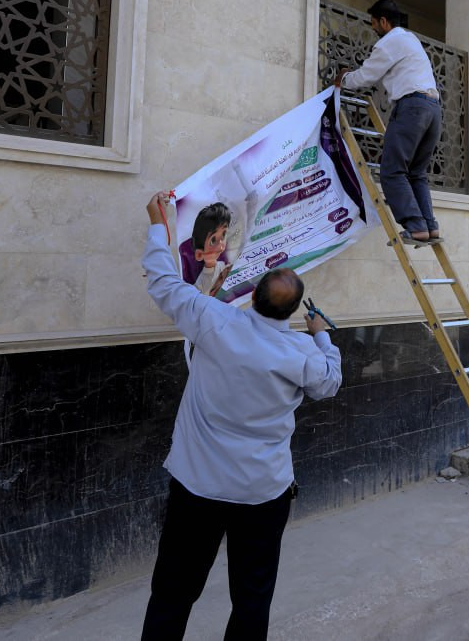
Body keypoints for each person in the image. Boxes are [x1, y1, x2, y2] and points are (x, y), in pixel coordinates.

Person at [141, 191, 343, 641]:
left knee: (173, 592)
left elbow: (163, 282)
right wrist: (322, 336)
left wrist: (158, 224)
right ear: (293, 311)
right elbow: (329, 383)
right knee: (252, 599)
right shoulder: (303, 352)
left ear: (253, 296)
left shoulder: (213, 320)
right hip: (262, 494)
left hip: (198, 487)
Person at [335, 0, 442, 246]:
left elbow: (366, 76)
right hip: (433, 109)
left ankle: (415, 227)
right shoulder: (410, 39)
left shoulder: (389, 42)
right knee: (417, 173)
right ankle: (430, 227)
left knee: (392, 171)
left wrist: (343, 79)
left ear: (383, 21)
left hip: (412, 107)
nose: (374, 29)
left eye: (374, 24)